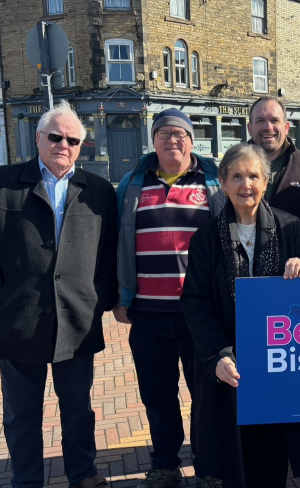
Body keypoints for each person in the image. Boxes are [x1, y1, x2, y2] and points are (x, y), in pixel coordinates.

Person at [0, 100, 118, 488]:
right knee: (21, 415)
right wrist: (0, 297)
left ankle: (82, 473)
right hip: (18, 321)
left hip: (77, 320)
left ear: (82, 145)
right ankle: (26, 481)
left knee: (78, 409)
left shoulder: (98, 191)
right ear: (38, 138)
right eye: (55, 136)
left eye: (73, 139)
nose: (64, 144)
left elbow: (112, 253)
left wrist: (99, 298)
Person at [181, 144, 300, 488]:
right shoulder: (206, 238)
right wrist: (217, 354)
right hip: (230, 361)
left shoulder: (289, 226)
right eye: (236, 176)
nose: (245, 184)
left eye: (253, 176)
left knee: (273, 455)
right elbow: (195, 301)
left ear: (266, 181)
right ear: (222, 182)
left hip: (278, 361)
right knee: (235, 455)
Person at [114, 109, 225, 488]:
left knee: (206, 394)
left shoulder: (213, 182)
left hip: (199, 312)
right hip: (147, 311)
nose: (172, 140)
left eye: (180, 134)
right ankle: (165, 464)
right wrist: (120, 295)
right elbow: (116, 241)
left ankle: (209, 465)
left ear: (192, 141)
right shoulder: (131, 184)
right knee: (157, 394)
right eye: (164, 134)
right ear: (153, 140)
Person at [247, 97, 300, 270]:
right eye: (260, 121)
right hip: (245, 270)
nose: (268, 127)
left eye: (275, 120)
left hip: (294, 272)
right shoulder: (234, 166)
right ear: (250, 128)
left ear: (286, 127)